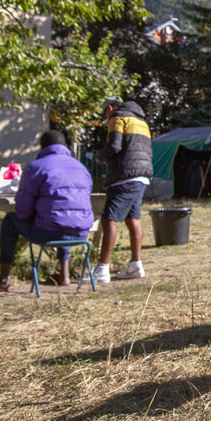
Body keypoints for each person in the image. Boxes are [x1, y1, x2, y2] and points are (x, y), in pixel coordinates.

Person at [0, 130, 95, 291]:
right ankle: (64, 275)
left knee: (11, 220)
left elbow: (23, 211)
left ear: (42, 147)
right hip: (81, 233)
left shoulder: (36, 167)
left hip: (49, 232)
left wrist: (33, 214)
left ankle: (3, 277)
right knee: (64, 219)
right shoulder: (81, 168)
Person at [91, 97, 152, 282]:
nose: (105, 118)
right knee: (132, 219)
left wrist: (100, 156)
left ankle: (102, 269)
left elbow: (114, 146)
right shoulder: (141, 121)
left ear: (110, 108)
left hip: (123, 175)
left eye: (105, 114)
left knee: (109, 219)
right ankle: (135, 265)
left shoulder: (118, 118)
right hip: (142, 176)